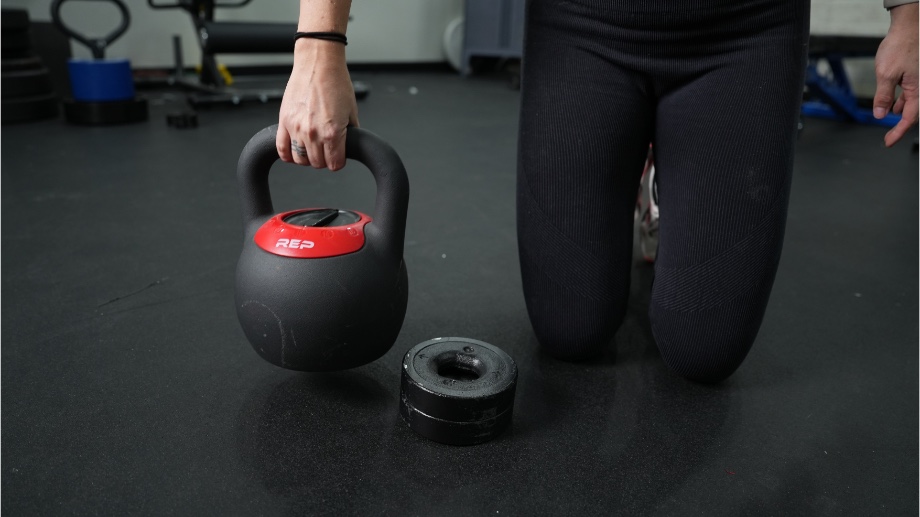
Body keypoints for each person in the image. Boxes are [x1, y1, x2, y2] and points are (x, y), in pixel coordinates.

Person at [277, 0, 918, 382]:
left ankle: (671, 174)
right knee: (572, 333)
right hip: (583, 27)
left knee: (704, 352)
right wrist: (318, 46)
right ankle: (644, 157)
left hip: (745, 30)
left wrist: (909, 14)